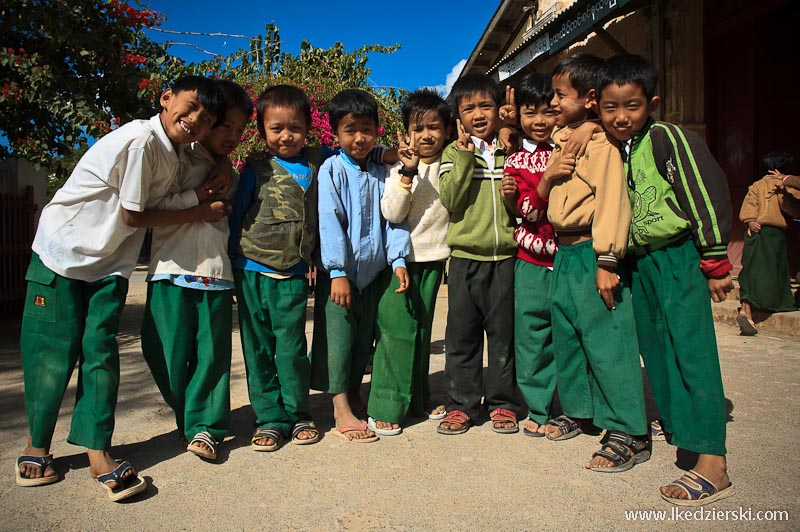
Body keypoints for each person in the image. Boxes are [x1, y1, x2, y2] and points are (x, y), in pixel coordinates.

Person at [16, 76, 228, 501]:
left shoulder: (176, 154)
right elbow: (134, 215)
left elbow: (165, 200)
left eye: (204, 121)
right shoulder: (139, 140)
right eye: (188, 109)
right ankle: (37, 447)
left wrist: (206, 187)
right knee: (52, 353)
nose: (193, 122)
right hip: (63, 254)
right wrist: (201, 209)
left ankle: (98, 452)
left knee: (101, 355)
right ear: (166, 99)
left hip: (110, 264)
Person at [597, 54, 735, 504]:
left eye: (632, 105)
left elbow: (704, 191)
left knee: (691, 350)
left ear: (652, 103)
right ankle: (682, 430)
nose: (621, 117)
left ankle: (712, 461)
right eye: (610, 107)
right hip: (641, 263)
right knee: (655, 349)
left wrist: (715, 259)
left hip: (677, 257)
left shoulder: (667, 138)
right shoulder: (614, 147)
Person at [542, 54, 649, 472]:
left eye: (559, 94)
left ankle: (627, 429)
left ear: (588, 99)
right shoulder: (563, 139)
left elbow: (612, 200)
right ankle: (580, 411)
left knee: (608, 343)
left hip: (592, 252)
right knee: (568, 337)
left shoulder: (602, 145)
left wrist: (608, 258)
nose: (552, 102)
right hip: (563, 254)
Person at [140, 80, 252, 461]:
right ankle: (190, 413)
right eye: (227, 128)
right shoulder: (177, 157)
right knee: (163, 352)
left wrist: (223, 165)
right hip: (169, 270)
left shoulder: (230, 173)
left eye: (240, 131)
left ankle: (206, 426)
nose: (233, 138)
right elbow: (153, 204)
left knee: (212, 357)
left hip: (215, 274)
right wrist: (198, 200)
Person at [310, 88, 410, 443]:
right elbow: (329, 221)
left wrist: (397, 259)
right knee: (338, 340)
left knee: (362, 340)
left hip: (374, 274)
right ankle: (340, 409)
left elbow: (394, 219)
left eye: (367, 129)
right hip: (340, 276)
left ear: (377, 130)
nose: (359, 138)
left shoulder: (383, 170)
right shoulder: (332, 170)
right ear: (335, 133)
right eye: (350, 130)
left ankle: (353, 392)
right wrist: (336, 271)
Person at [436, 73, 520, 436]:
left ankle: (503, 403)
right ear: (458, 116)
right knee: (462, 337)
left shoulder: (510, 149)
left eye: (486, 105)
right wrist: (468, 159)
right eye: (469, 108)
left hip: (505, 259)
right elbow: (451, 200)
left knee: (503, 337)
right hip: (466, 259)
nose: (479, 114)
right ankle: (462, 404)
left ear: (499, 109)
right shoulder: (452, 153)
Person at [366, 89, 452, 436]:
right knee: (397, 333)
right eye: (418, 128)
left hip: (435, 259)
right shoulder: (397, 168)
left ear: (447, 130)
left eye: (434, 127)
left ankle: (417, 398)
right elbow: (392, 212)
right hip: (399, 261)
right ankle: (385, 405)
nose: (426, 135)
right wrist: (407, 174)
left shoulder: (452, 163)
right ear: (406, 133)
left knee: (420, 333)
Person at [498, 73, 560, 438]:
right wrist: (548, 182)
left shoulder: (571, 150)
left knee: (568, 335)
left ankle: (574, 408)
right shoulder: (515, 160)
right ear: (518, 115)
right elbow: (529, 212)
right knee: (532, 335)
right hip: (531, 260)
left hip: (570, 257)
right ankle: (538, 409)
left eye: (548, 112)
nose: (540, 121)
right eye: (530, 113)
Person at [737, 151, 800, 334]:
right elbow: (792, 209)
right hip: (774, 234)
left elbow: (749, 206)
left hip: (755, 231)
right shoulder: (783, 186)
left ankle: (745, 309)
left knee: (751, 271)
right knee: (775, 272)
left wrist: (750, 220)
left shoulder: (756, 185)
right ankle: (762, 306)